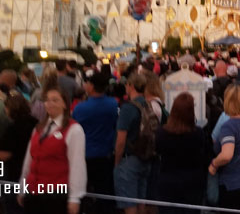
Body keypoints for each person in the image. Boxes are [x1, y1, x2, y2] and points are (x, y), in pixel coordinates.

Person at [19, 86, 87, 214]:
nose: (50, 103)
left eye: (55, 100)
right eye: (47, 100)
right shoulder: (38, 129)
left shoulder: (74, 130)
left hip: (55, 195)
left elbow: (77, 166)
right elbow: (29, 160)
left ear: (65, 104)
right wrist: (22, 187)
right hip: (33, 193)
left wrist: (74, 198)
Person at [72, 72, 118, 214]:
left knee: (81, 192)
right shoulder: (113, 104)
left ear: (91, 86)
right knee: (105, 194)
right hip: (105, 154)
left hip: (85, 155)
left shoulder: (80, 108)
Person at [0, 95, 37, 214]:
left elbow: (4, 155)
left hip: (16, 173)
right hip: (34, 172)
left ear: (11, 109)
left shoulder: (13, 129)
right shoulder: (36, 123)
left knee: (14, 206)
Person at [156, 92, 209, 214]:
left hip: (168, 183)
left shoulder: (162, 133)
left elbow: (158, 150)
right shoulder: (198, 134)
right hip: (192, 184)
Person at [114, 73, 155, 214]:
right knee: (140, 199)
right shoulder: (147, 104)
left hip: (129, 158)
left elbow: (120, 140)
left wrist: (116, 162)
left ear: (131, 86)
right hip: (145, 156)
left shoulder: (128, 109)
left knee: (129, 203)